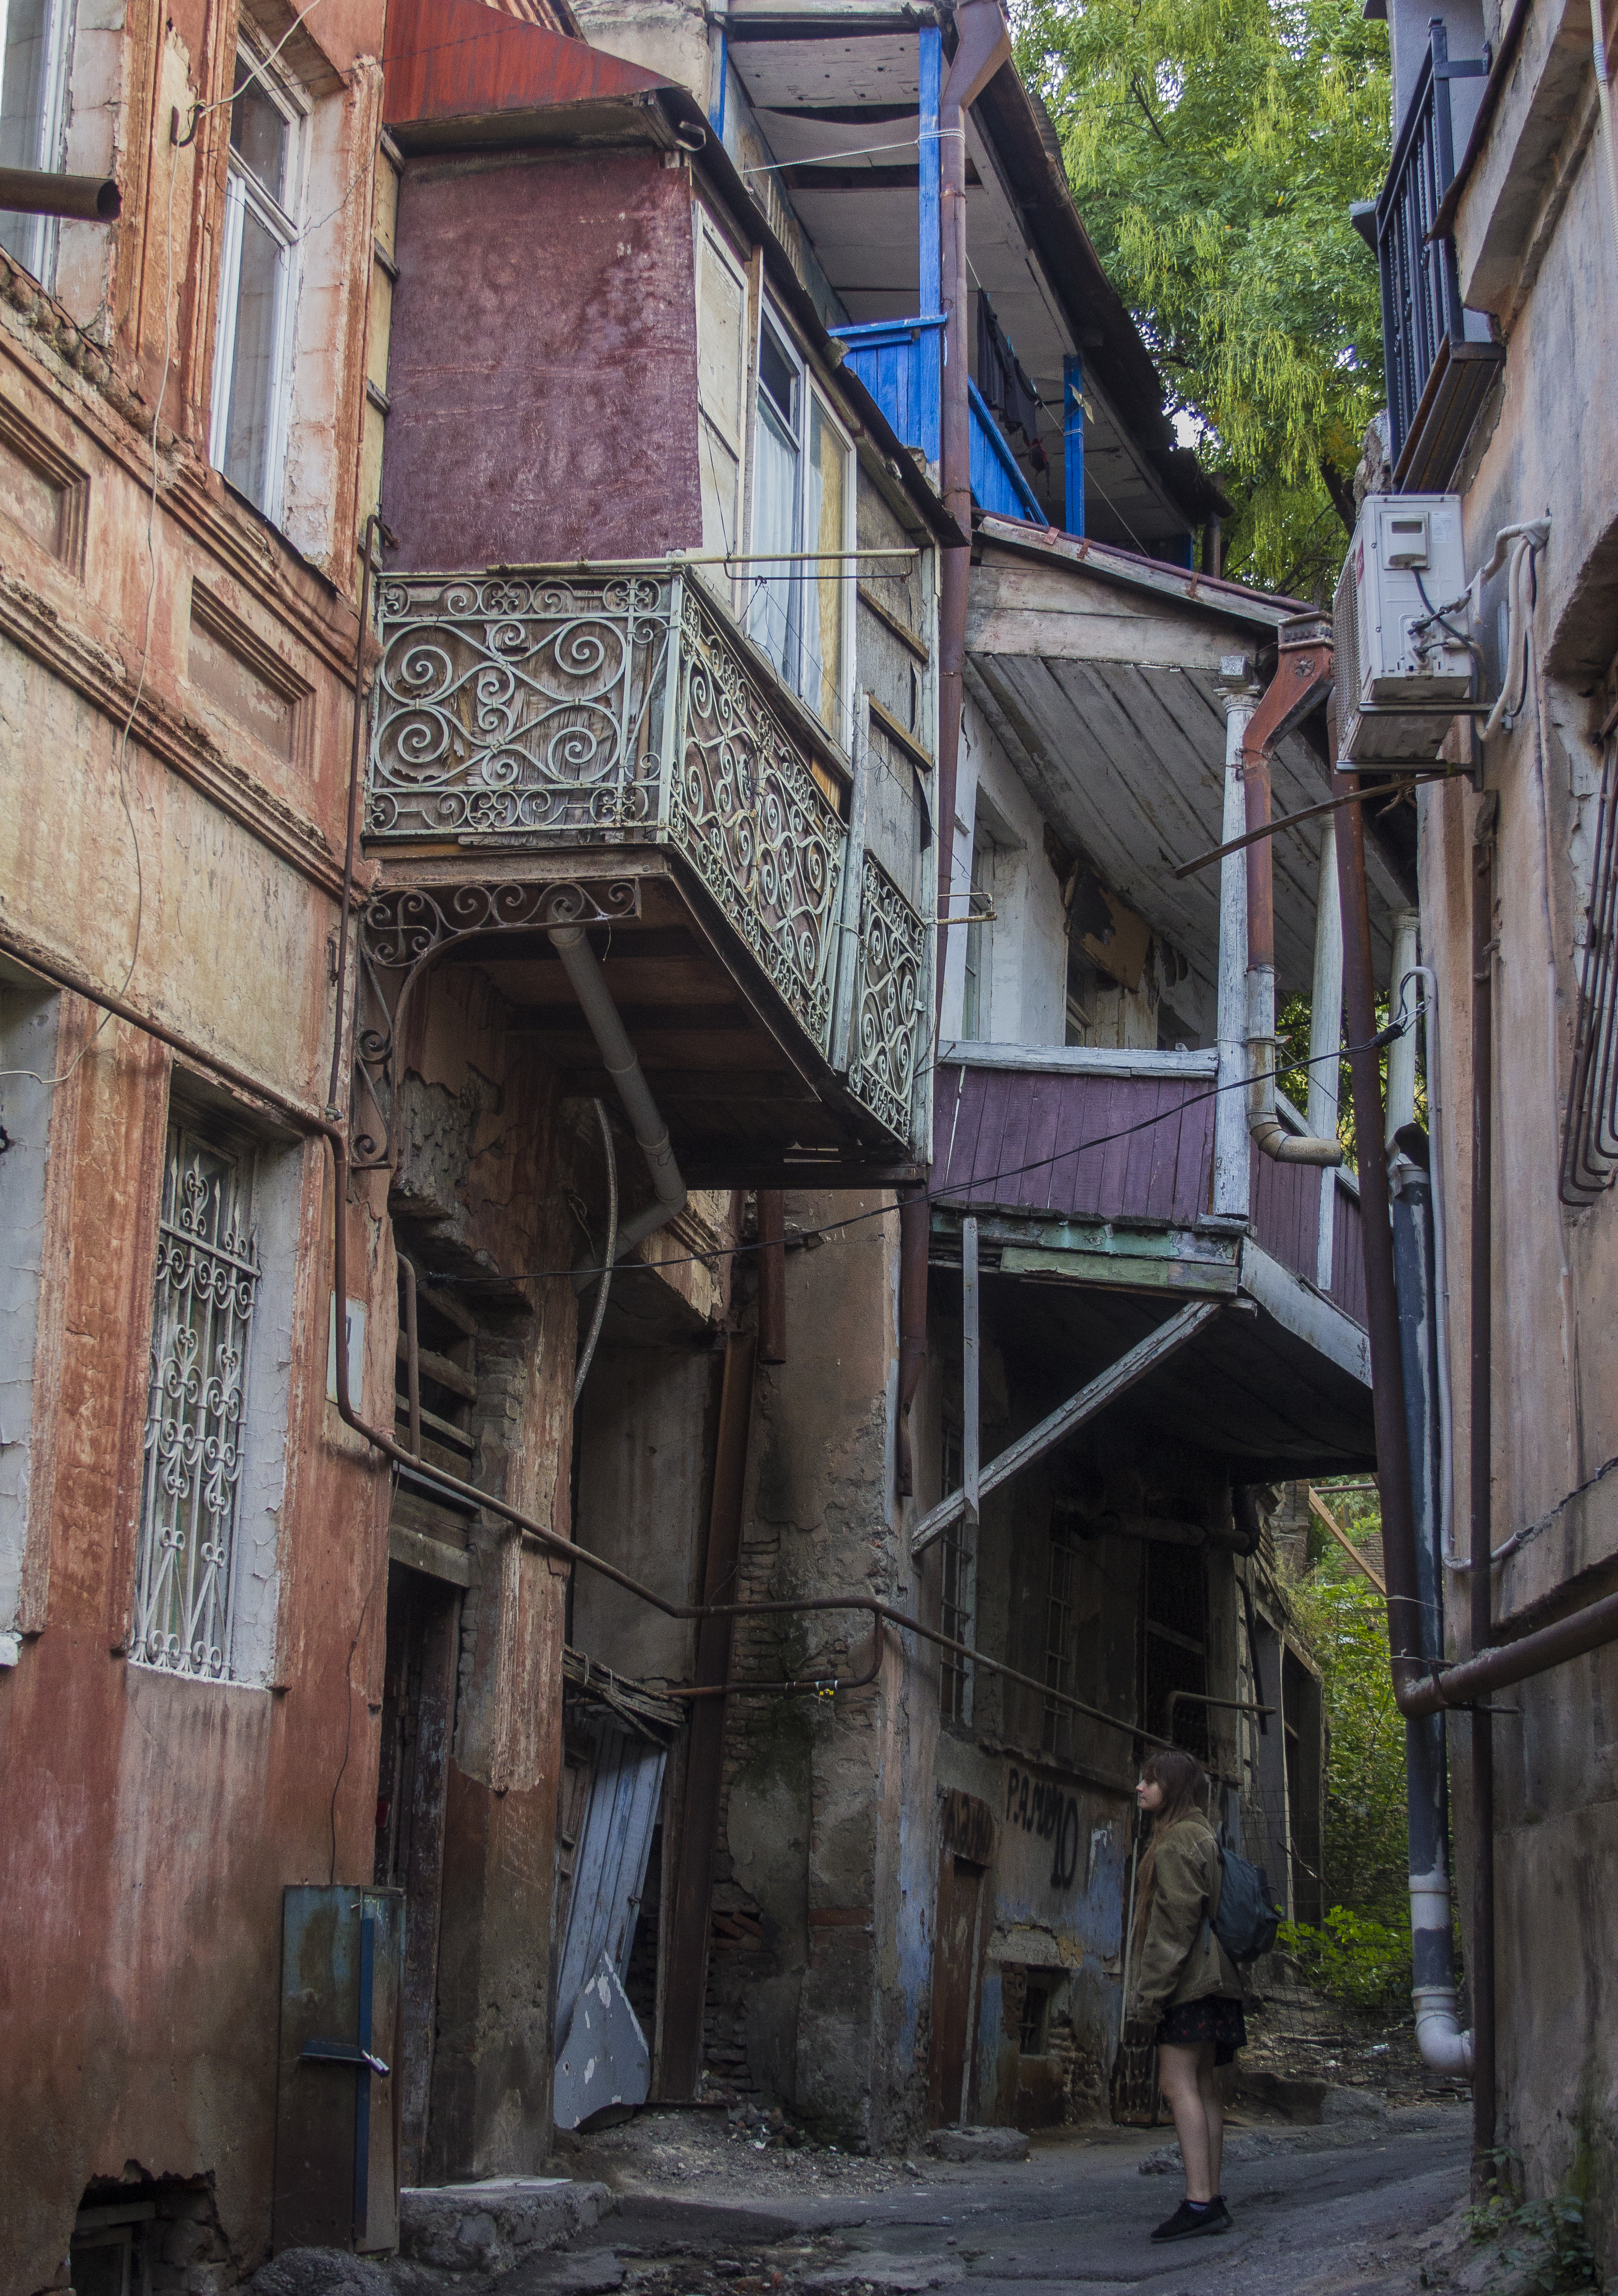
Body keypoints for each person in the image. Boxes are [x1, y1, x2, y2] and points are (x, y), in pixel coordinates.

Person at [1124, 1747, 1246, 2241]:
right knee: (1204, 2085)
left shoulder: (1176, 1843)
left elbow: (1173, 1929)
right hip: (1219, 1981)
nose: (1140, 1788)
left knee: (1178, 2087)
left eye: (1150, 1781)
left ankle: (1199, 2201)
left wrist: (1150, 1998)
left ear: (1171, 1789)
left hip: (1190, 1983)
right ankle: (1211, 2196)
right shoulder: (1204, 1835)